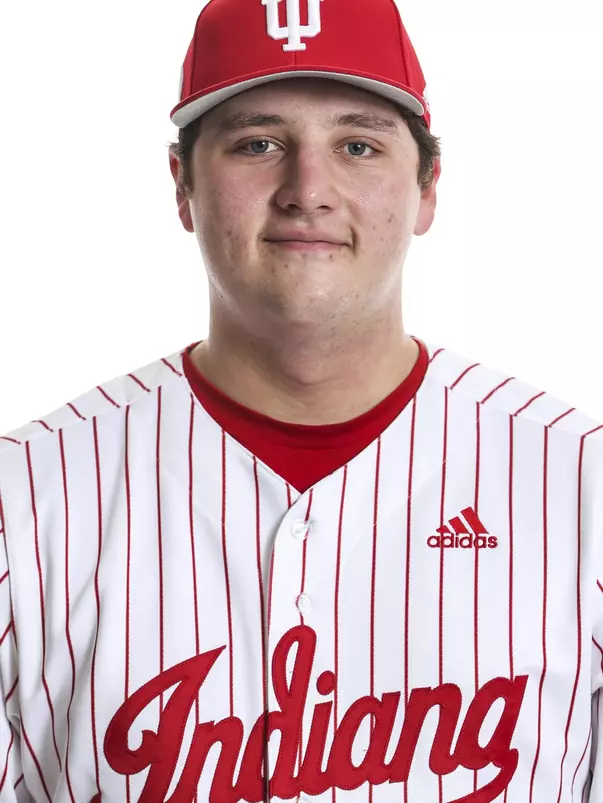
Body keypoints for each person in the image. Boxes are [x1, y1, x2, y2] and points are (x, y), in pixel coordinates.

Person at [1, 0, 602, 800]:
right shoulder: (24, 499)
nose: (307, 190)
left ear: (427, 189)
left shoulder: (581, 486)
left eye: (357, 145)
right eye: (258, 143)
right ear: (182, 186)